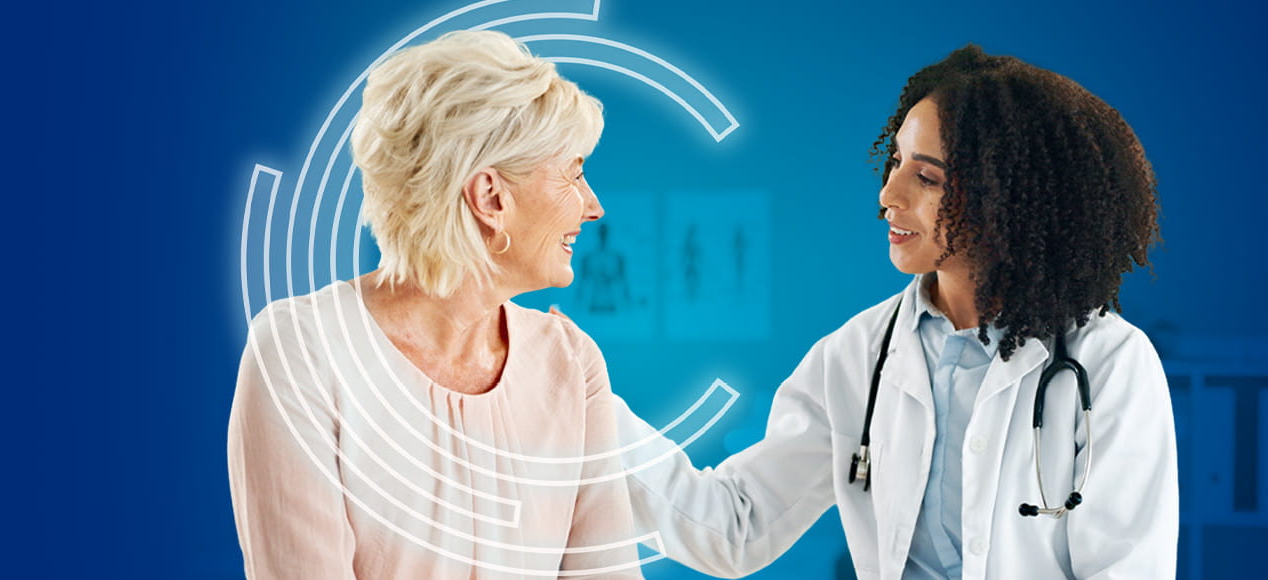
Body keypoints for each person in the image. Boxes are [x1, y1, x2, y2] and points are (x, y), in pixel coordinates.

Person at [612, 45, 1176, 579]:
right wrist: (588, 407)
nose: (888, 194)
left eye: (926, 177)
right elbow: (737, 526)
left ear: (1007, 198)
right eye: (897, 161)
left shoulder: (1109, 362)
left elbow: (1126, 568)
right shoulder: (857, 355)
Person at [228, 30, 641, 579]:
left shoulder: (570, 362)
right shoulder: (302, 352)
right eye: (575, 172)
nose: (593, 206)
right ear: (490, 197)